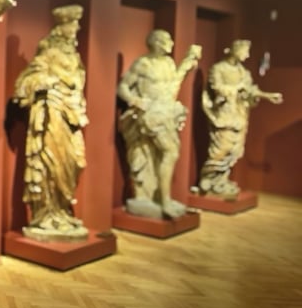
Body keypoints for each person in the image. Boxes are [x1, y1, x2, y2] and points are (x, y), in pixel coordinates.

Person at [12, 5, 88, 240]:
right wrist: (43, 83)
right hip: (52, 114)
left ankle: (62, 212)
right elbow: (25, 82)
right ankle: (47, 215)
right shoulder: (48, 51)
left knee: (75, 161)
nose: (77, 27)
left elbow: (78, 83)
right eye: (73, 23)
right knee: (51, 162)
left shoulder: (74, 55)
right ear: (62, 26)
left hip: (72, 115)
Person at [117, 29, 201, 219]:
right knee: (170, 152)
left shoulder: (169, 63)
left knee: (160, 155)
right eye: (167, 40)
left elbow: (172, 88)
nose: (171, 43)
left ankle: (158, 198)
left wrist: (186, 65)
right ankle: (164, 200)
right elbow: (122, 88)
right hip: (150, 115)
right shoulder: (142, 63)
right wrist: (136, 101)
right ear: (156, 42)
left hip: (166, 112)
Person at [198, 39, 282, 197]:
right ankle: (208, 180)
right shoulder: (218, 68)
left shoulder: (244, 72)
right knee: (221, 149)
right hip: (224, 115)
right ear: (235, 50)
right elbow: (217, 88)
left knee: (233, 150)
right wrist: (237, 89)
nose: (247, 55)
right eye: (245, 51)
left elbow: (250, 91)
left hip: (239, 114)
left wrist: (267, 96)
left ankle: (221, 181)